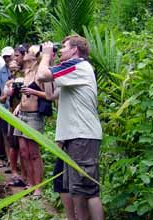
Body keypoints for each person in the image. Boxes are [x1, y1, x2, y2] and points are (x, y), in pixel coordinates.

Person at [37, 35, 104, 220]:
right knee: (78, 191)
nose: (61, 51)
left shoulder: (78, 65)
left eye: (64, 47)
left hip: (82, 136)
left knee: (88, 191)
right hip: (75, 137)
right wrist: (48, 60)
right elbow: (50, 95)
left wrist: (45, 56)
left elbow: (42, 75)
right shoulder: (72, 71)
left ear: (75, 50)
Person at [13, 45, 54, 197]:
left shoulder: (40, 72)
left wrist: (33, 91)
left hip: (34, 115)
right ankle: (30, 183)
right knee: (23, 152)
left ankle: (39, 187)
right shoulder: (27, 72)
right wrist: (18, 105)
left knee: (34, 153)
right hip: (22, 115)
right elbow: (24, 93)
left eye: (29, 52)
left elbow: (49, 95)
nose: (26, 53)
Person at [0, 46, 15, 168]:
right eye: (5, 57)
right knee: (6, 135)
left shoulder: (18, 70)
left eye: (9, 56)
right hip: (4, 107)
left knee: (15, 136)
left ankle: (17, 163)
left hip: (16, 107)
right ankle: (10, 161)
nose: (7, 59)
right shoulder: (0, 72)